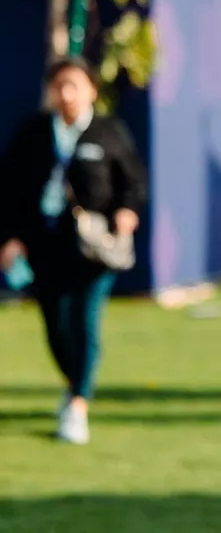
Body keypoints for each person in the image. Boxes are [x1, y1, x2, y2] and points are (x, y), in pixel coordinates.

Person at [0, 58, 147, 445]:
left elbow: (133, 183)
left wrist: (126, 212)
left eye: (74, 85)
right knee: (57, 326)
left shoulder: (108, 132)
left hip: (94, 247)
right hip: (46, 245)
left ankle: (78, 404)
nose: (66, 94)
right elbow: (9, 188)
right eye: (59, 86)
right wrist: (10, 238)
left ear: (91, 91)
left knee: (86, 321)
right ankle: (73, 383)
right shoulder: (34, 133)